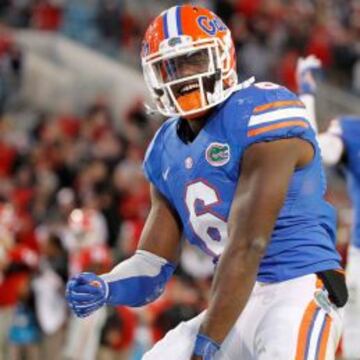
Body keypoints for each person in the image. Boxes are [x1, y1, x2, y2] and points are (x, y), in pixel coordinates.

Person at [66, 5, 347, 359]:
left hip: (297, 287)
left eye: (194, 60)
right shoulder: (164, 148)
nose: (183, 77)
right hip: (234, 299)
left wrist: (207, 343)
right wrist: (106, 286)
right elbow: (152, 265)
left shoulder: (263, 110)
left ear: (224, 56)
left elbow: (249, 243)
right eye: (171, 66)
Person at [296, 55, 360, 360]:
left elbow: (312, 152)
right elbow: (314, 153)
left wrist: (307, 93)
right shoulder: (352, 131)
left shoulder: (351, 130)